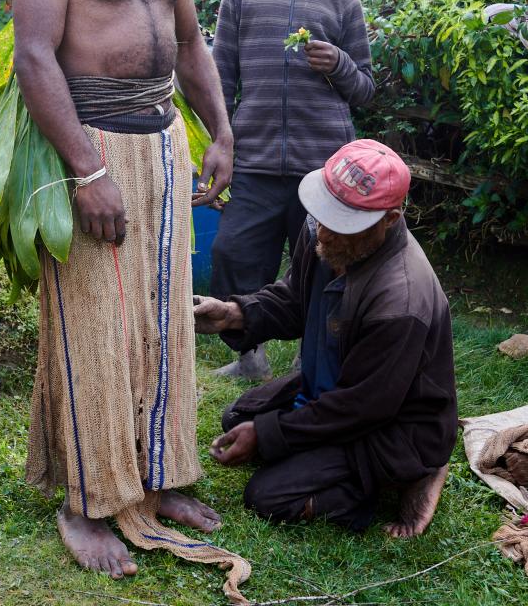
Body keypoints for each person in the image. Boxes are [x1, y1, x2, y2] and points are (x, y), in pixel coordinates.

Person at [13, 0, 248, 594]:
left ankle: (163, 470)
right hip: (89, 148)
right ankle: (84, 501)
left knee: (160, 318)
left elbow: (189, 47)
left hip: (161, 146)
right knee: (90, 326)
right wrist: (87, 170)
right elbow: (35, 57)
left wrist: (218, 131)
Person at [195, 139, 457, 537]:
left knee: (268, 496)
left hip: (389, 424)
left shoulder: (401, 300)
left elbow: (360, 408)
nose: (326, 232)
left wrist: (270, 435)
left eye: (345, 222)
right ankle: (325, 452)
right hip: (334, 388)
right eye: (324, 212)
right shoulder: (320, 228)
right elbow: (293, 302)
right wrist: (233, 314)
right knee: (238, 417)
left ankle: (415, 471)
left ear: (389, 219)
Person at [210, 0, 375, 380]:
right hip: (256, 160)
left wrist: (339, 63)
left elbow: (365, 89)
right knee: (233, 252)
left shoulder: (342, 0)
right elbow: (221, 75)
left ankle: (312, 360)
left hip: (321, 164)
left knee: (325, 264)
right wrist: (220, 138)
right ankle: (249, 356)